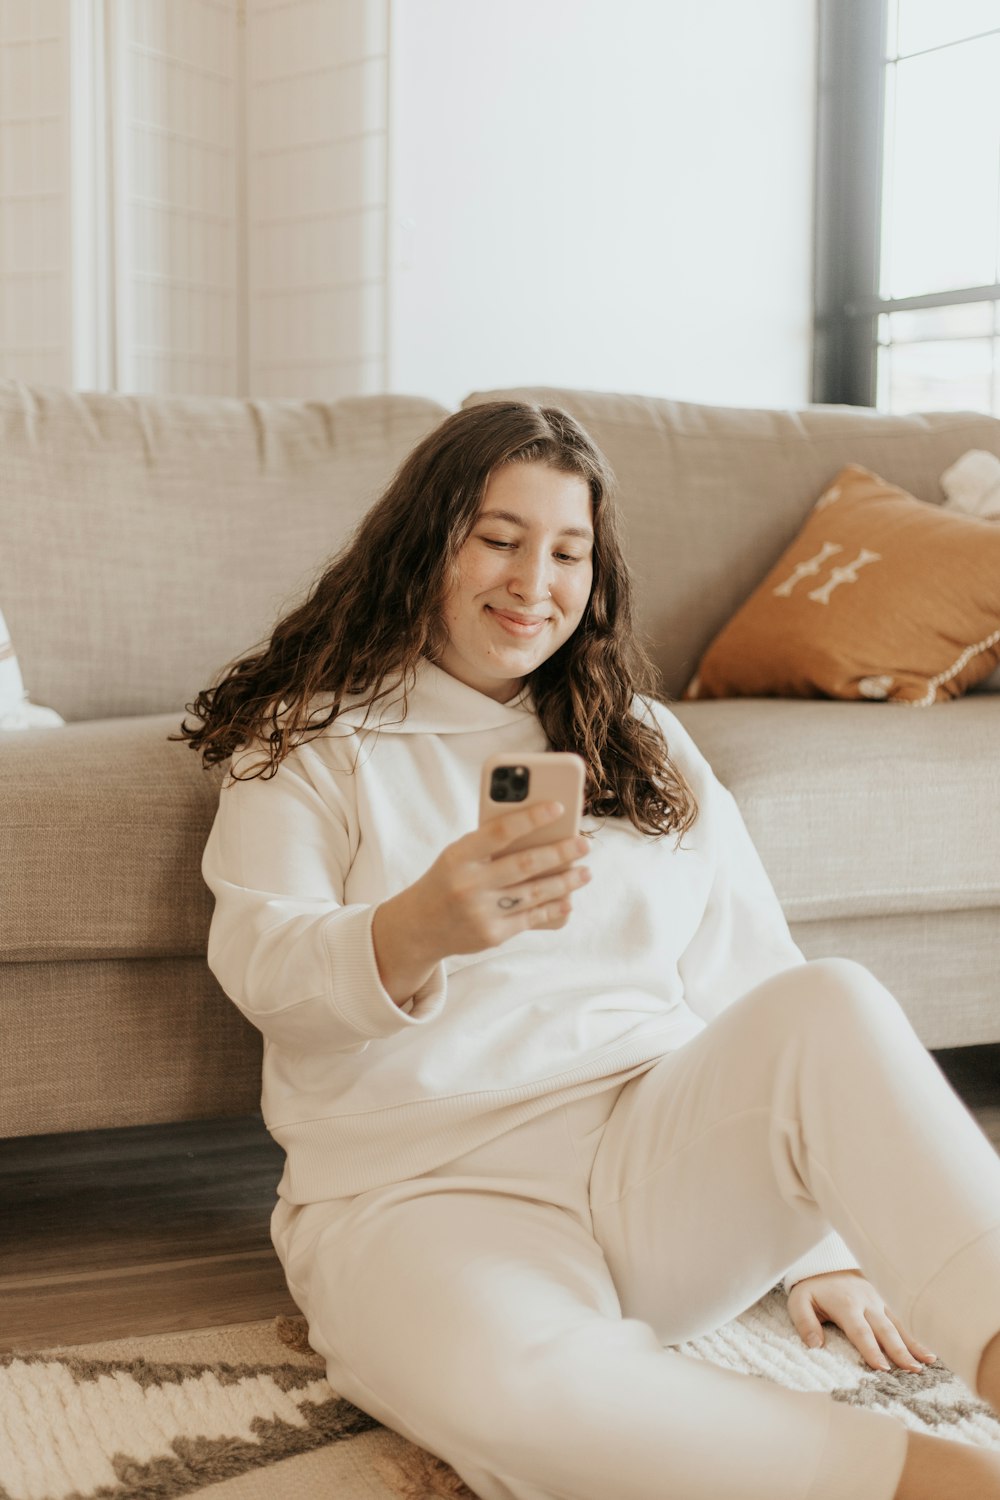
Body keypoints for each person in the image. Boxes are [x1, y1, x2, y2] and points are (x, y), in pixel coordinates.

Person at [177, 401, 1000, 1500]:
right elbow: (267, 968)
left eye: (567, 551)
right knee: (517, 1402)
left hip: (658, 1168)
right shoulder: (308, 744)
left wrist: (824, 1251)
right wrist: (417, 927)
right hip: (422, 1196)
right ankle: (935, 1482)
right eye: (498, 538)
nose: (533, 582)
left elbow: (754, 974)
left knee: (831, 998)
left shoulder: (642, 739)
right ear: (426, 543)